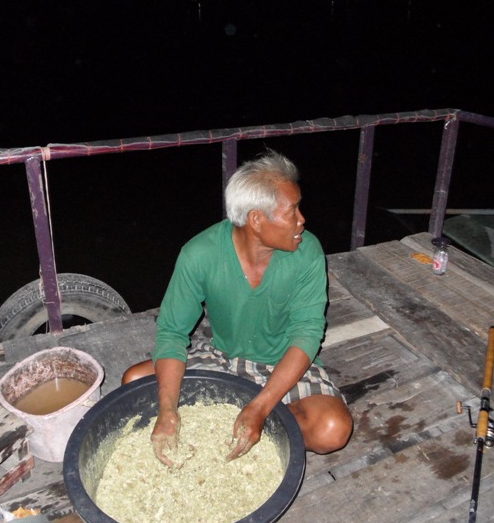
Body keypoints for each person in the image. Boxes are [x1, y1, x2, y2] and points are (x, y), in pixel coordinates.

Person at [122, 149, 353, 466]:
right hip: (222, 355)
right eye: (292, 211)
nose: (302, 219)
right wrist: (167, 409)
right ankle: (237, 425)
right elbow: (172, 333)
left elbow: (308, 332)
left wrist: (260, 407)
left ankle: (238, 422)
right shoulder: (200, 253)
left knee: (332, 430)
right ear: (256, 219)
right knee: (134, 382)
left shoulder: (307, 250)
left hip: (284, 361)